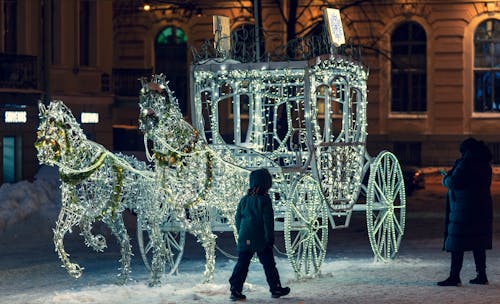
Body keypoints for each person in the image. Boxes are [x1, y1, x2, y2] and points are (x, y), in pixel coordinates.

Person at [437, 138, 493, 287]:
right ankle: (482, 275)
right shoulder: (485, 163)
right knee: (478, 243)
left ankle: (454, 277)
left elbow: (455, 182)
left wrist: (446, 179)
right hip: (481, 208)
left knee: (457, 243)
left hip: (464, 208)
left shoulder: (466, 163)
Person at [229, 168, 290, 301]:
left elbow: (238, 218)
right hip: (261, 239)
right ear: (266, 184)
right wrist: (270, 238)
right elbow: (267, 221)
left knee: (242, 263)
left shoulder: (244, 199)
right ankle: (275, 288)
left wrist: (242, 233)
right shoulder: (264, 200)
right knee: (269, 264)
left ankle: (235, 289)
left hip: (245, 237)